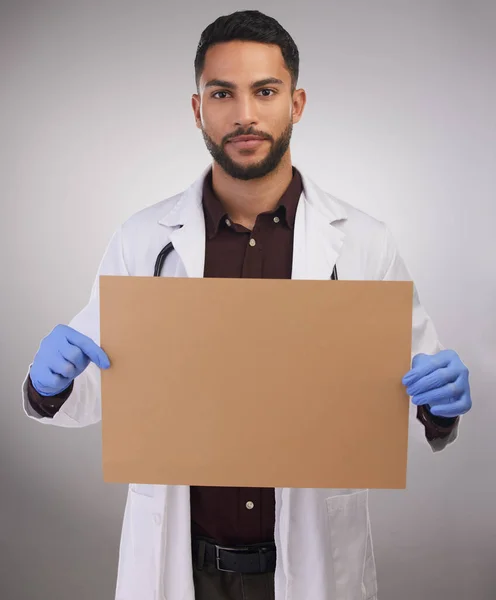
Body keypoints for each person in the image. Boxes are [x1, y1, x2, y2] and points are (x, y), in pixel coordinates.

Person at [22, 10, 472, 600]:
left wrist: (439, 407)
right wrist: (47, 385)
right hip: (181, 566)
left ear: (297, 102)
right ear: (197, 109)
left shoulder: (363, 240)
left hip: (310, 565)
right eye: (222, 93)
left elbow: (397, 413)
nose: (245, 115)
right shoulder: (143, 239)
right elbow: (102, 392)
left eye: (265, 91)